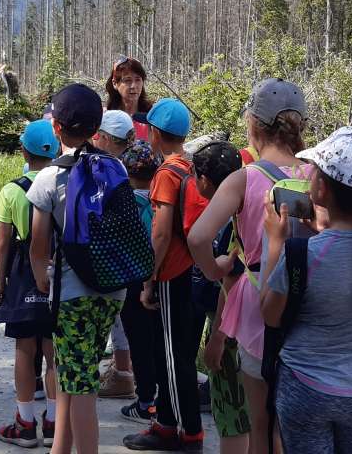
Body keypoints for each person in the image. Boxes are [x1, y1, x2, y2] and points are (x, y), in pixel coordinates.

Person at [260, 127, 352, 453]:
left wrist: (275, 244)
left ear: (321, 189)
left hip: (304, 388)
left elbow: (269, 314)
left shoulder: (304, 254)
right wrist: (325, 232)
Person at [187, 78, 310, 453]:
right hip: (309, 304)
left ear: (253, 125)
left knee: (261, 420)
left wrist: (213, 270)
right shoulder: (316, 175)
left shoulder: (245, 178)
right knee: (294, 424)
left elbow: (197, 237)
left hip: (260, 301)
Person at [26, 83, 125, 454]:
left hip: (73, 293)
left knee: (81, 383)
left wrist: (41, 279)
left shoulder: (48, 178)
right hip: (113, 286)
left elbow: (39, 245)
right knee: (72, 373)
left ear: (56, 128)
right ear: (97, 127)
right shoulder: (114, 166)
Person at [124, 98, 205, 452]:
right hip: (195, 268)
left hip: (172, 272)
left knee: (174, 357)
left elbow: (160, 233)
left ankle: (187, 433)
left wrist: (149, 278)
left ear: (155, 132)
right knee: (179, 351)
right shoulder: (191, 166)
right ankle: (167, 424)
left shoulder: (166, 174)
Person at [0, 120, 60, 448]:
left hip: (21, 270)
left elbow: (3, 243)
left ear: (23, 150)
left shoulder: (11, 189)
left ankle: (24, 423)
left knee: (24, 347)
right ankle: (53, 422)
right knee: (52, 349)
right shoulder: (64, 183)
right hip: (55, 269)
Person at [190, 141, 250, 454]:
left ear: (204, 181)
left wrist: (217, 339)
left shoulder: (231, 223)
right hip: (247, 327)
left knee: (232, 412)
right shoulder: (244, 210)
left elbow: (232, 282)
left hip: (231, 327)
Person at [90, 109, 137, 399]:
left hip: (108, 257)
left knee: (113, 319)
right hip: (134, 255)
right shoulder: (138, 162)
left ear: (105, 138)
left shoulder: (104, 167)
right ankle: (124, 372)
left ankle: (122, 375)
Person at [118, 140, 162, 424]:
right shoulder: (164, 201)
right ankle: (163, 399)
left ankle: (145, 401)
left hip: (133, 281)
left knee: (139, 344)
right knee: (158, 341)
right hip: (162, 277)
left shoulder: (124, 205)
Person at [105, 57, 153, 141]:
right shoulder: (106, 117)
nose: (133, 86)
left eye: (138, 80)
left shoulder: (152, 116)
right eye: (128, 80)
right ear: (115, 83)